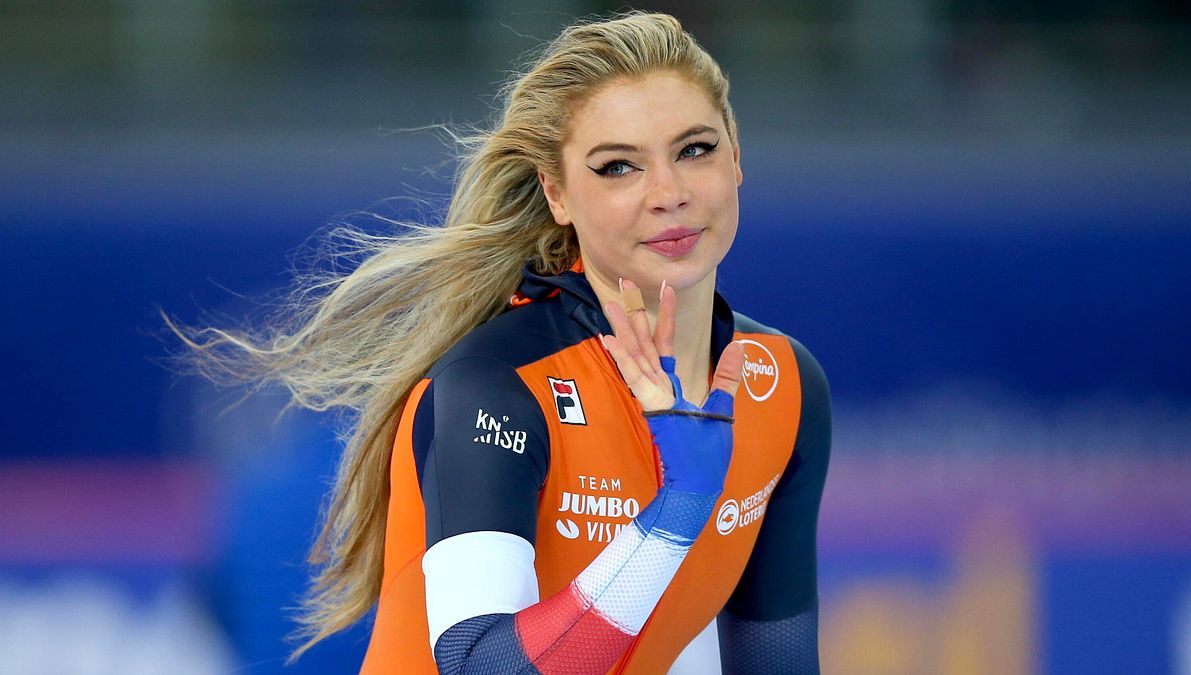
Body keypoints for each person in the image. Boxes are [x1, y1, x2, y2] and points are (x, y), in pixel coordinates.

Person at [172, 11, 829, 674]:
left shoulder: (785, 385)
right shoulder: (497, 386)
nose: (669, 193)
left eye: (695, 150)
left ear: (736, 156)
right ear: (557, 194)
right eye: (618, 167)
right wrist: (675, 514)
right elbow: (478, 662)